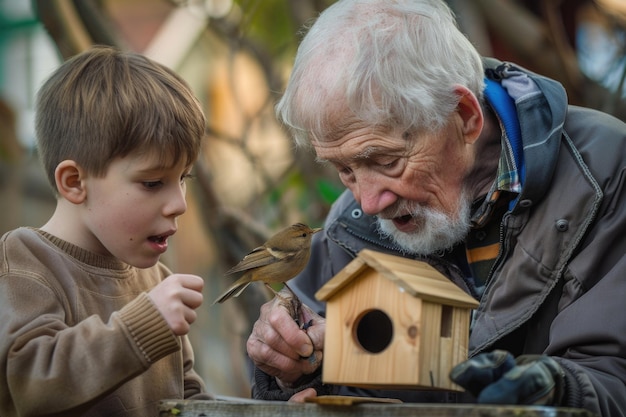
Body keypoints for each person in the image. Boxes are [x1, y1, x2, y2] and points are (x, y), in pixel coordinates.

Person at [245, 0, 626, 416]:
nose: (369, 202)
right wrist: (294, 369)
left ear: (464, 116)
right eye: (344, 170)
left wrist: (554, 394)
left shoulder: (605, 173)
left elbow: (613, 379)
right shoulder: (348, 227)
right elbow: (325, 387)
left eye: (386, 161)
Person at [0, 46, 212, 417]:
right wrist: (141, 327)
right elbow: (29, 384)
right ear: (74, 182)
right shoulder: (25, 262)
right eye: (152, 182)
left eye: (183, 179)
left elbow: (187, 399)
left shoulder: (155, 279)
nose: (179, 203)